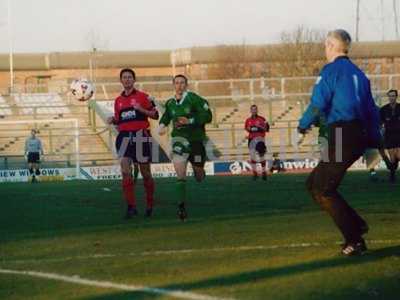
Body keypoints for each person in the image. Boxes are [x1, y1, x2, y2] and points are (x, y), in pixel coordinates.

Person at [298, 29, 382, 256]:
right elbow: (372, 110)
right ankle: (357, 226)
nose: (325, 50)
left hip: (343, 133)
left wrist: (303, 124)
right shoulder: (359, 74)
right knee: (313, 184)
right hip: (354, 133)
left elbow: (318, 102)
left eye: (326, 45)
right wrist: (375, 142)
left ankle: (355, 239)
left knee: (323, 189)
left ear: (331, 46)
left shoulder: (330, 71)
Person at [158, 74, 212, 221]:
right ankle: (181, 207)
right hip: (178, 141)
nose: (179, 85)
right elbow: (167, 116)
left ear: (186, 85)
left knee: (199, 176)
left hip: (196, 141)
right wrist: (162, 126)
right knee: (180, 174)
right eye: (177, 83)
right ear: (173, 85)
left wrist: (190, 120)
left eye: (182, 83)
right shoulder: (170, 103)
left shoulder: (194, 99)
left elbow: (208, 116)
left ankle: (200, 170)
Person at [107, 68, 159, 218]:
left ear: (134, 80)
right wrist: (113, 120)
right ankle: (131, 207)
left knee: (146, 173)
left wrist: (141, 109)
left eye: (130, 77)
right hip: (124, 138)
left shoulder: (144, 97)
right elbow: (119, 120)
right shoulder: (118, 101)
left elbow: (155, 115)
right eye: (124, 77)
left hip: (141, 137)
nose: (127, 79)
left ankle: (149, 204)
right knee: (125, 171)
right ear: (121, 81)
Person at [245, 104, 270, 180]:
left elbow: (267, 128)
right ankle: (255, 173)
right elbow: (247, 128)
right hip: (251, 139)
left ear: (257, 110)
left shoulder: (262, 119)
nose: (254, 111)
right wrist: (252, 129)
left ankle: (263, 172)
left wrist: (259, 128)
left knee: (261, 156)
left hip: (260, 140)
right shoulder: (248, 120)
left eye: (255, 109)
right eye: (252, 109)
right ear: (250, 111)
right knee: (252, 156)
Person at [380, 89, 400, 182]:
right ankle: (392, 175)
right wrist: (382, 129)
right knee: (392, 157)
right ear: (388, 97)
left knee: (398, 155)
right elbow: (380, 123)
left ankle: (393, 170)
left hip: (399, 134)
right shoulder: (383, 109)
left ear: (396, 97)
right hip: (389, 135)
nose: (391, 98)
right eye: (390, 96)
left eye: (393, 96)